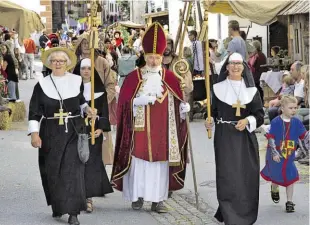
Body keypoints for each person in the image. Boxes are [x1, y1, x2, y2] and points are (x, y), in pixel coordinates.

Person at [111, 22, 189, 213]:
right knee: (138, 162)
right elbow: (122, 104)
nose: (154, 61)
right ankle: (137, 197)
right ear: (144, 56)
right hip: (138, 130)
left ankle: (158, 200)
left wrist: (183, 109)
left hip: (163, 130)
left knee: (160, 165)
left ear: (162, 57)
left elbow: (178, 102)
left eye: (157, 57)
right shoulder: (133, 77)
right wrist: (137, 102)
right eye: (150, 57)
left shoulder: (171, 78)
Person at [28, 47, 97, 225]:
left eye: (61, 61)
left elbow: (80, 102)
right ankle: (58, 205)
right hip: (50, 132)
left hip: (74, 129)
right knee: (53, 170)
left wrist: (88, 109)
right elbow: (34, 112)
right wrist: (34, 134)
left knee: (73, 170)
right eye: (54, 61)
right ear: (49, 64)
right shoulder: (41, 85)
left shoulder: (76, 80)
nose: (58, 64)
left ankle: (73, 212)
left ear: (67, 63)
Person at [205, 52, 264, 225]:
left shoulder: (252, 91)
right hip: (225, 136)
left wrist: (247, 120)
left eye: (239, 64)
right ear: (227, 67)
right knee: (227, 175)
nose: (236, 67)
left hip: (245, 138)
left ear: (244, 67)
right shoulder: (218, 88)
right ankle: (229, 213)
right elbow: (214, 114)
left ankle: (245, 212)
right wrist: (209, 121)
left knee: (246, 174)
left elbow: (259, 116)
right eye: (232, 64)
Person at [73, 33, 116, 166]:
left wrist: (100, 104)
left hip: (98, 108)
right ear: (79, 45)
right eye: (83, 43)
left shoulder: (102, 62)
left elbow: (110, 86)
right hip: (78, 108)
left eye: (88, 43)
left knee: (98, 150)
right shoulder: (72, 62)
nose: (86, 46)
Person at [261, 95, 309, 212]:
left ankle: (289, 202)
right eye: (291, 108)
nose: (294, 110)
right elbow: (271, 138)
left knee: (291, 176)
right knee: (276, 174)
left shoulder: (297, 122)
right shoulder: (276, 122)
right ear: (282, 108)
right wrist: (274, 153)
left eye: (295, 108)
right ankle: (274, 187)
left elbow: (304, 137)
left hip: (289, 155)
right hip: (276, 153)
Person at [79, 58, 114, 213]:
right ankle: (77, 195)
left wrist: (101, 129)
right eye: (83, 68)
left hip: (94, 131)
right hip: (77, 131)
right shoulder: (73, 88)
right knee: (77, 164)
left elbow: (105, 111)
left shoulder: (99, 90)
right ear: (78, 70)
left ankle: (88, 198)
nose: (86, 71)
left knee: (92, 164)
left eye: (89, 68)